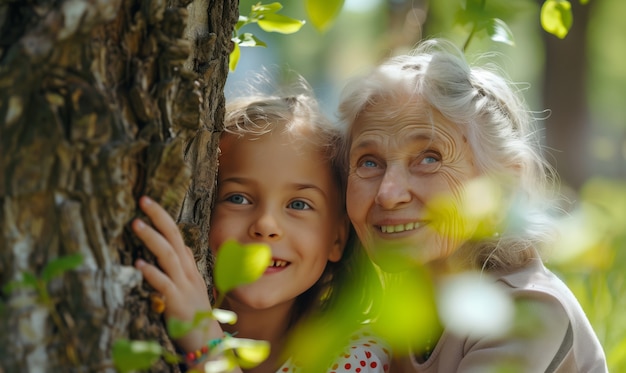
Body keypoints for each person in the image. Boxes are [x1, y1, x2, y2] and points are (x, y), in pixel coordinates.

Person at [337, 38, 608, 372]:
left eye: (429, 158)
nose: (388, 194)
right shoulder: (404, 313)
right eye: (368, 162)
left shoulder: (528, 308)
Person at [132, 82, 390, 372]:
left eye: (299, 204)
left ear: (337, 239)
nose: (266, 225)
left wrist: (205, 341)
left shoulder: (355, 356)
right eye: (238, 198)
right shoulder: (149, 327)